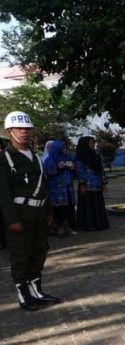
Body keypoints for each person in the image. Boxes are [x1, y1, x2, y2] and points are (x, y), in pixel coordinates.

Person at [1, 111, 61, 310]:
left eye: (27, 128)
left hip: (40, 211)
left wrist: (49, 212)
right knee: (21, 254)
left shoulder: (35, 155)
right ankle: (24, 295)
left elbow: (43, 185)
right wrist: (12, 220)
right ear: (9, 131)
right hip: (20, 213)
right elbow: (3, 193)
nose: (24, 132)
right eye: (19, 128)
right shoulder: (5, 158)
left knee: (39, 251)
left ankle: (37, 291)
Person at [74, 136, 109, 231]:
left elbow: (101, 169)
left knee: (98, 205)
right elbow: (80, 171)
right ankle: (90, 225)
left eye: (94, 143)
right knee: (88, 206)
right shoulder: (80, 158)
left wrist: (104, 182)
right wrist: (82, 184)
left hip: (97, 184)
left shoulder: (95, 156)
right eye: (91, 143)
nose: (93, 145)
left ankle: (100, 224)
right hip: (87, 186)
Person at [43, 140, 77, 236]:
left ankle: (67, 227)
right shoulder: (49, 159)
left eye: (66, 148)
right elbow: (48, 172)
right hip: (57, 189)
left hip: (68, 187)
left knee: (69, 207)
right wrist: (57, 167)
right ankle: (59, 227)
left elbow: (74, 171)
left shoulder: (68, 157)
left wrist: (73, 168)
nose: (65, 150)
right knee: (59, 209)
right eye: (63, 148)